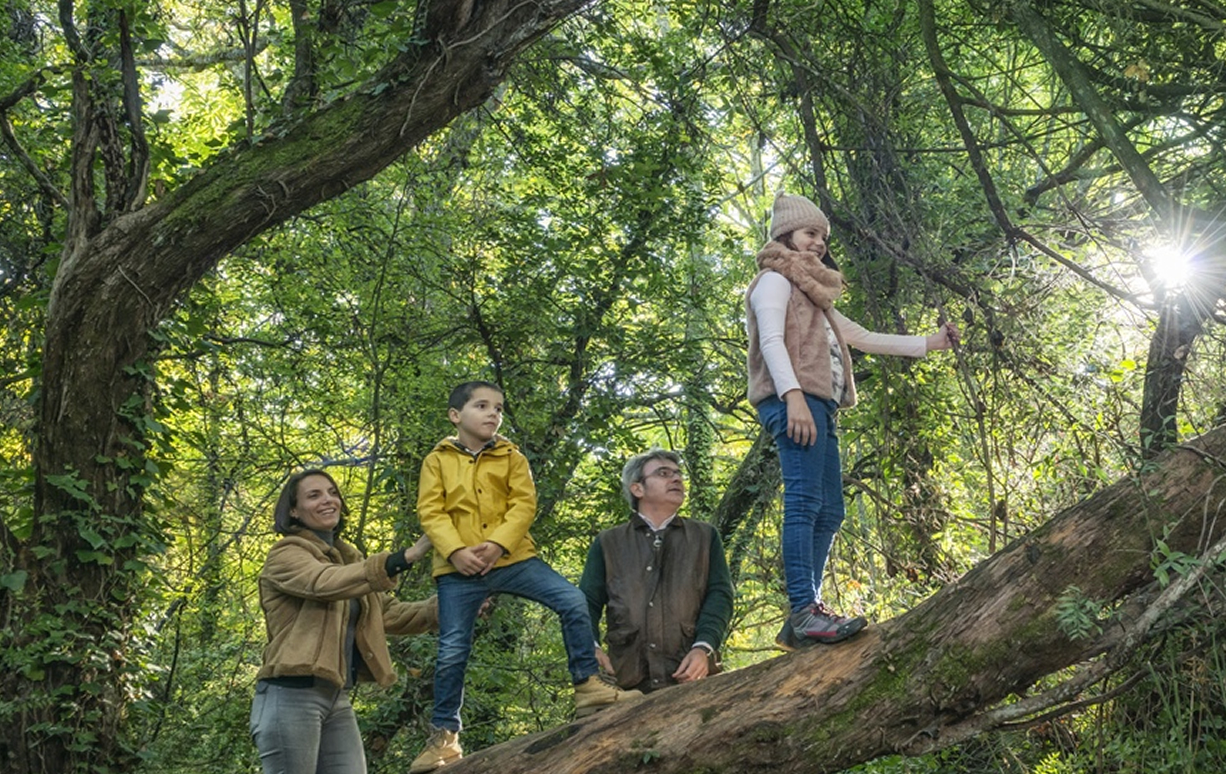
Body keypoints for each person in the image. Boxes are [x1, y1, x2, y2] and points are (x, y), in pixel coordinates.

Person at [745, 193, 959, 649]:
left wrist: (930, 343)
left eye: (823, 237)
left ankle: (799, 621)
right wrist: (793, 397)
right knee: (804, 501)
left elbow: (860, 337)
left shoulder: (812, 294)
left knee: (831, 510)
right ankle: (804, 610)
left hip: (818, 404)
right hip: (794, 401)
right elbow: (771, 341)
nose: (819, 243)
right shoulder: (773, 281)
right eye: (810, 233)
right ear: (785, 234)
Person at [408, 380, 641, 773]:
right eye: (482, 406)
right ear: (455, 415)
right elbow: (431, 511)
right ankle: (444, 739)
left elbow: (523, 504)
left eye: (498, 408)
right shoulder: (437, 460)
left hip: (513, 558)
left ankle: (587, 685)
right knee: (451, 651)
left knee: (571, 600)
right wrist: (456, 551)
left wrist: (498, 544)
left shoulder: (511, 456)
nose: (492, 414)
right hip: (457, 569)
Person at [253, 468, 439, 774]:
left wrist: (446, 609)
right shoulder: (285, 555)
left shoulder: (349, 559)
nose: (328, 500)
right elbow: (323, 583)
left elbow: (387, 613)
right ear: (294, 511)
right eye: (314, 495)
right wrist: (406, 556)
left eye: (332, 493)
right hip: (290, 696)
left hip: (335, 696)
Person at [578, 449, 735, 693]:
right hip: (625, 682)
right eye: (663, 473)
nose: (676, 479)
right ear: (637, 488)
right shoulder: (608, 542)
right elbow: (586, 602)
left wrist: (703, 647)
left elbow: (720, 595)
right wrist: (591, 647)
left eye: (678, 474)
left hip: (692, 678)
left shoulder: (704, 537)